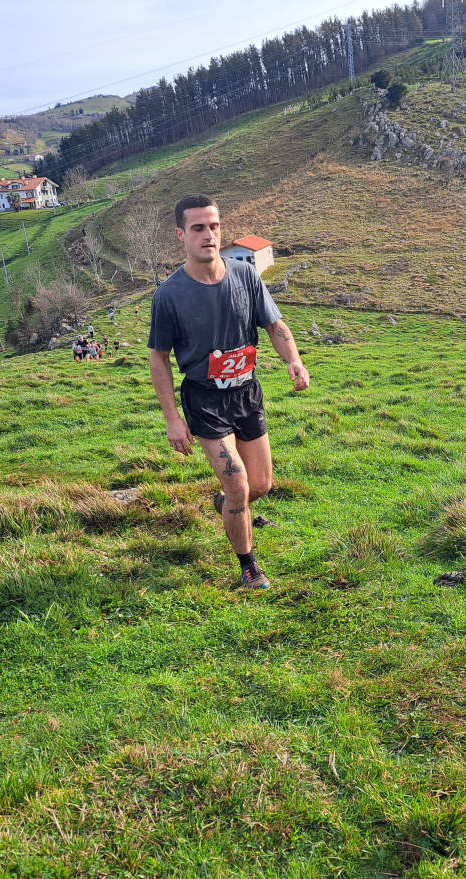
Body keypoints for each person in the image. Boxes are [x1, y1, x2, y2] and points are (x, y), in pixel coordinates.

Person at [148, 193, 310, 590]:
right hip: (205, 399)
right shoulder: (168, 295)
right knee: (238, 484)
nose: (209, 235)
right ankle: (249, 568)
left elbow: (274, 325)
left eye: (214, 226)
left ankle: (229, 506)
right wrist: (172, 419)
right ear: (181, 235)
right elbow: (159, 358)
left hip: (246, 393)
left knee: (260, 486)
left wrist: (293, 359)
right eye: (198, 228)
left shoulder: (245, 275)